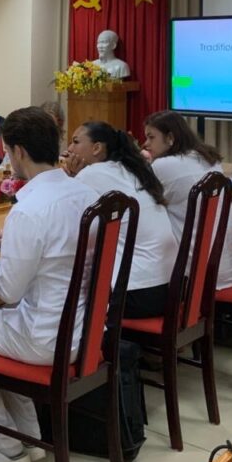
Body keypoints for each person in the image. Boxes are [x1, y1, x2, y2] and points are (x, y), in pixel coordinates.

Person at [0, 107, 98, 462]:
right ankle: (29, 436)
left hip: (45, 339)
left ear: (17, 151)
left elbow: (8, 291)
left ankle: (4, 447)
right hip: (86, 331)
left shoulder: (29, 210)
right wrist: (12, 242)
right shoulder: (86, 194)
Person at [66, 121, 179, 318]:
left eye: (75, 142)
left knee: (66, 289)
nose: (69, 149)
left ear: (97, 148)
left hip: (137, 294)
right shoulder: (131, 168)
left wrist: (73, 177)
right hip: (171, 288)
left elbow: (65, 219)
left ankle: (92, 335)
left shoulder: (92, 174)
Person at [143, 111, 232, 290]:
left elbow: (142, 203)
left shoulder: (162, 166)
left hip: (199, 272)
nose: (146, 144)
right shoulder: (208, 158)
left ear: (170, 138)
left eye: (151, 137)